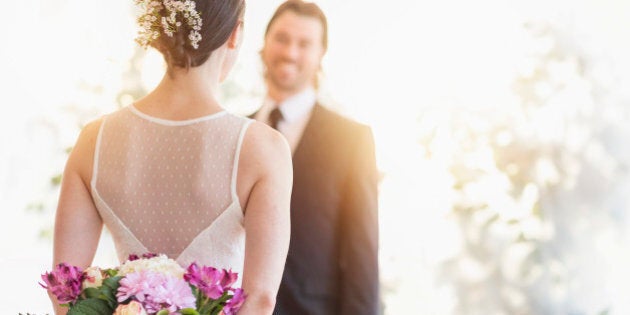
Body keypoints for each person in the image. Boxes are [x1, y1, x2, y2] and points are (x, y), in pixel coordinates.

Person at [48, 0, 293, 314]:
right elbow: (261, 298)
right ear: (235, 34)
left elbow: (64, 289)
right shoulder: (263, 149)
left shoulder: (93, 140)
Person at [253, 1, 380, 314]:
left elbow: (362, 254)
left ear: (321, 54)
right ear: (265, 43)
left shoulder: (351, 140)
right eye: (282, 39)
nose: (291, 53)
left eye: (305, 44)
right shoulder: (237, 132)